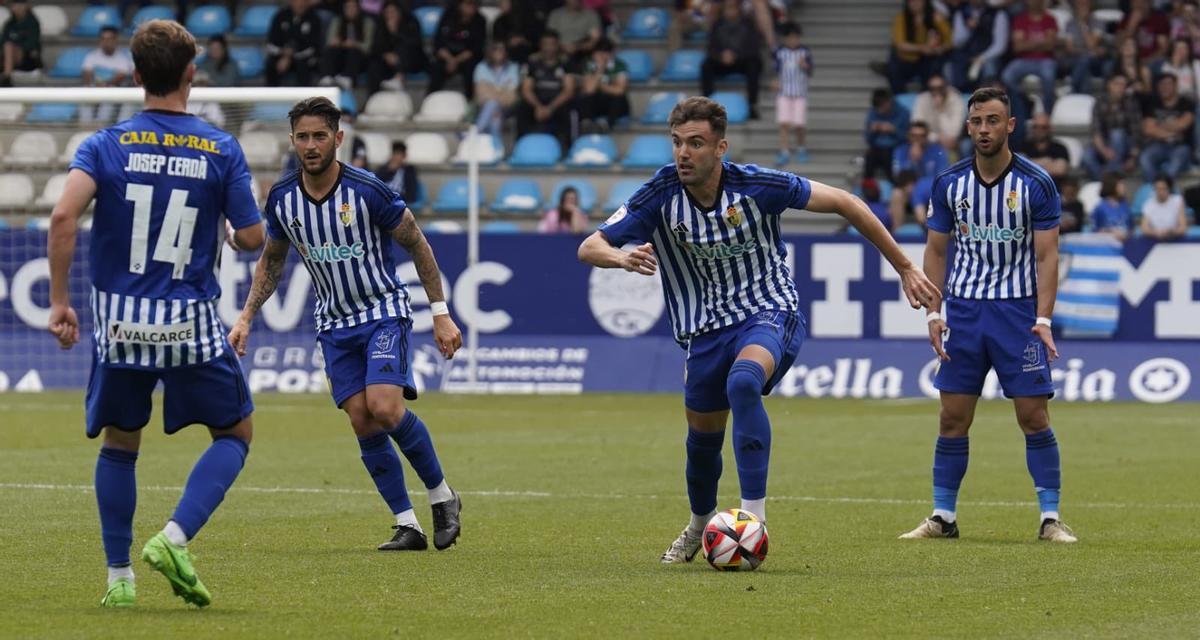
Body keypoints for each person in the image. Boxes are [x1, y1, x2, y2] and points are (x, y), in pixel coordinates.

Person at [577, 96, 939, 563]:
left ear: (720, 147)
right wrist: (621, 257)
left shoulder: (757, 186)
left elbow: (847, 203)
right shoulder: (659, 193)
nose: (683, 153)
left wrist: (906, 267)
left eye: (696, 143)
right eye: (677, 143)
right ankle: (699, 525)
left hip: (768, 311)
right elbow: (590, 245)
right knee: (702, 440)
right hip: (704, 331)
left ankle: (754, 523)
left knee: (744, 382)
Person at [47, 19, 266, 609]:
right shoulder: (220, 147)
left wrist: (61, 301)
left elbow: (64, 218)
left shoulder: (104, 144)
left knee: (120, 442)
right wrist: (229, 220)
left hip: (120, 323)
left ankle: (119, 580)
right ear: (192, 74)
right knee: (236, 432)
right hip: (188, 323)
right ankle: (174, 537)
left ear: (137, 75)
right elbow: (252, 238)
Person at [229, 97, 464, 552]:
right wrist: (245, 317)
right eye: (303, 136)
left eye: (320, 136)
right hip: (333, 322)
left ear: (338, 138)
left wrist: (440, 312)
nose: (311, 145)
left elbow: (418, 244)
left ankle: (442, 495)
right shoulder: (283, 199)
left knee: (385, 408)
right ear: (292, 140)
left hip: (381, 312)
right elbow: (271, 262)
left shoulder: (368, 190)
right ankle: (407, 524)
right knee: (361, 419)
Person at [901, 86, 1077, 544]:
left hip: (1018, 315)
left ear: (1010, 125)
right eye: (977, 121)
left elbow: (1046, 257)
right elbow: (936, 251)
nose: (984, 129)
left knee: (1033, 417)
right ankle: (943, 516)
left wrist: (1043, 319)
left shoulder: (1035, 184)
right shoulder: (949, 184)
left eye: (993, 121)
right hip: (964, 312)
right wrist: (933, 312)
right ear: (968, 126)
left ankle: (1050, 518)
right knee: (952, 417)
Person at [702, 0, 764, 119]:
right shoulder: (717, 25)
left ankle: (752, 104)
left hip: (742, 61)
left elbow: (754, 47)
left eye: (733, 8)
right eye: (728, 8)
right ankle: (706, 105)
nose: (730, 11)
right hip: (721, 61)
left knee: (754, 64)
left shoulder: (748, 24)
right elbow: (711, 47)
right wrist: (721, 56)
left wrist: (736, 55)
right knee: (706, 65)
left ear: (738, 9)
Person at [517, 30, 576, 152]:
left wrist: (550, 108)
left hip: (557, 101)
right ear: (540, 45)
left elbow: (568, 90)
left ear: (557, 45)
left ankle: (567, 149)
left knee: (569, 110)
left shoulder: (566, 63)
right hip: (537, 101)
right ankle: (521, 147)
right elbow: (526, 89)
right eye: (545, 44)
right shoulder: (532, 62)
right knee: (522, 108)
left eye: (552, 44)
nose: (549, 48)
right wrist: (538, 107)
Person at [1001, 0, 1060, 115]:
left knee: (1049, 77)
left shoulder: (1050, 19)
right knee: (1006, 76)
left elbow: (1050, 45)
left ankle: (1048, 112)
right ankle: (1026, 101)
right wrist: (1041, 42)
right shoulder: (1020, 20)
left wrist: (1027, 43)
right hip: (1023, 60)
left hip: (1045, 60)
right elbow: (1018, 47)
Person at [1083, 73, 1141, 180]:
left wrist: (1133, 158)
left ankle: (1112, 179)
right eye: (1117, 84)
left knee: (1117, 134)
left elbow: (1136, 133)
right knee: (1087, 156)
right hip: (1103, 144)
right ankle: (1105, 182)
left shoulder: (1131, 103)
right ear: (1110, 85)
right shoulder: (1100, 102)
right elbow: (1096, 131)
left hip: (1125, 145)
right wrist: (1104, 150)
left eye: (1124, 85)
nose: (1120, 88)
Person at [886, 0, 951, 94]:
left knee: (935, 66)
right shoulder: (901, 18)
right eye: (911, 1)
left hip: (927, 59)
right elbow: (900, 44)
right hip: (906, 59)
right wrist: (922, 48)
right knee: (894, 66)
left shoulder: (935, 17)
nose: (915, 3)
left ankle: (929, 95)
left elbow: (949, 41)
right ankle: (898, 97)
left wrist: (940, 49)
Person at [1139, 72, 1195, 181]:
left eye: (1168, 84)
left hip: (1181, 147)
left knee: (1174, 164)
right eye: (1161, 85)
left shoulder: (1186, 103)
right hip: (1159, 145)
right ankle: (1155, 190)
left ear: (1175, 86)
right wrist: (1172, 130)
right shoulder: (1153, 104)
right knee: (1144, 158)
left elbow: (1183, 124)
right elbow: (1148, 129)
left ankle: (1164, 190)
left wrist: (1159, 125)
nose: (1164, 88)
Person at [428, 0, 487, 99]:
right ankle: (429, 99)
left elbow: (476, 48)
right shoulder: (447, 16)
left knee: (472, 71)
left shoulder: (480, 21)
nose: (471, 7)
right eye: (468, 4)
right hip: (446, 56)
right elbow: (438, 43)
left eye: (474, 4)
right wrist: (450, 59)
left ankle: (470, 102)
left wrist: (455, 61)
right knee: (436, 69)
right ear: (460, 4)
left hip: (466, 58)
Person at [773, 22, 813, 166]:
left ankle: (801, 148)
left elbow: (810, 71)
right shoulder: (780, 52)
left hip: (799, 93)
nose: (793, 41)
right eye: (790, 38)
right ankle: (784, 151)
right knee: (784, 123)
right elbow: (776, 69)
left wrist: (805, 66)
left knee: (799, 124)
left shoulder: (805, 52)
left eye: (795, 38)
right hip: (784, 93)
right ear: (785, 39)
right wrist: (775, 80)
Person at [368, 0, 428, 93]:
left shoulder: (411, 21)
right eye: (387, 12)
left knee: (406, 49)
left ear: (400, 12)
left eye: (393, 12)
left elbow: (416, 44)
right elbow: (375, 46)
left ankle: (399, 78)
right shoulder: (381, 24)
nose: (390, 15)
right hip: (388, 62)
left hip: (411, 61)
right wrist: (386, 55)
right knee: (374, 65)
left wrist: (395, 33)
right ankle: (372, 97)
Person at [948, 0, 1008, 90]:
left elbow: (1000, 46)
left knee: (990, 66)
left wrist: (982, 57)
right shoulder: (961, 13)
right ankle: (962, 96)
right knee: (951, 66)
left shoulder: (998, 14)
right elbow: (957, 43)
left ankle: (986, 97)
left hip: (988, 56)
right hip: (966, 55)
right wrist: (968, 28)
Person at [265, 0, 323, 87]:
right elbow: (271, 42)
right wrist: (283, 52)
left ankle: (304, 97)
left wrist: (291, 55)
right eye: (297, 1)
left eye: (303, 1)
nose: (300, 4)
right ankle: (270, 95)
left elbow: (313, 46)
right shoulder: (280, 16)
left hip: (303, 56)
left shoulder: (314, 18)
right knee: (271, 64)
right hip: (281, 55)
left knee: (304, 66)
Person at [577, 38, 630, 132]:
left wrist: (599, 85)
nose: (603, 56)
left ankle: (605, 124)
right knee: (584, 97)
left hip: (613, 103)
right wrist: (600, 69)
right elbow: (589, 89)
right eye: (600, 52)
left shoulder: (619, 65)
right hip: (596, 101)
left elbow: (620, 90)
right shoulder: (589, 65)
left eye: (606, 52)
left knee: (619, 98)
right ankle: (586, 123)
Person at [320, 0, 376, 89]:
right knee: (331, 50)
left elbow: (368, 47)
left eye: (353, 7)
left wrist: (355, 44)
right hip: (340, 55)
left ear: (358, 9)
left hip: (360, 59)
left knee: (354, 52)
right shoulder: (337, 21)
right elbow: (329, 41)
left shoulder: (367, 22)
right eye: (347, 7)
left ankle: (348, 78)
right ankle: (327, 77)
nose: (350, 10)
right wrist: (336, 42)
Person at [474, 42, 521, 137]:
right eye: (495, 49)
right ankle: (497, 149)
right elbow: (481, 93)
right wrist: (501, 90)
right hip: (484, 105)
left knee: (493, 106)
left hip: (507, 107)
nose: (499, 52)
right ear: (489, 52)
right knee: (495, 118)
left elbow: (511, 95)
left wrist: (490, 88)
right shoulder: (481, 67)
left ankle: (475, 132)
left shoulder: (513, 67)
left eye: (502, 49)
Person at [864, 87, 911, 180]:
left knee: (888, 159)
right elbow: (868, 138)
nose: (879, 111)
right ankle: (868, 187)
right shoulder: (873, 113)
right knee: (869, 159)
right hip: (877, 147)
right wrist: (872, 131)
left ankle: (895, 184)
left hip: (895, 147)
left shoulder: (903, 113)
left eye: (881, 107)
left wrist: (893, 130)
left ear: (888, 102)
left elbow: (907, 137)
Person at [912, 74, 965, 155]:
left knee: (960, 146)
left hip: (951, 142)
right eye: (932, 88)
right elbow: (917, 127)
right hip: (926, 140)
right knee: (916, 144)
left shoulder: (956, 100)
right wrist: (937, 138)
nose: (936, 91)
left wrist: (941, 110)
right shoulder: (922, 100)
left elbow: (953, 133)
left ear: (946, 87)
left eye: (940, 88)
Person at [546, 0, 602, 70]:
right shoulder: (556, 15)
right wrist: (562, 46)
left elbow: (594, 39)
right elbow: (549, 38)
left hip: (582, 53)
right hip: (558, 52)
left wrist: (578, 47)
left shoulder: (591, 15)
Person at [0, 0, 41, 86]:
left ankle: (7, 77)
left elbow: (32, 44)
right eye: (14, 5)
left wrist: (16, 46)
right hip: (8, 57)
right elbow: (2, 41)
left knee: (8, 46)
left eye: (20, 5)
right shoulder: (9, 24)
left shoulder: (32, 22)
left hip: (28, 58)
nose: (17, 8)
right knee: (7, 47)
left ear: (26, 6)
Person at [1024, 113, 1071, 185]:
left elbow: (1060, 170)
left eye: (1043, 127)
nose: (1039, 130)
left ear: (1050, 129)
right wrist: (1046, 162)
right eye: (1035, 127)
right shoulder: (1023, 147)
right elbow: (1020, 168)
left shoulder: (1060, 148)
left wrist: (1031, 163)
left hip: (1054, 190)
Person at [1140, 174, 1189, 239]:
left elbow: (1183, 227)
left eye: (1163, 189)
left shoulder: (1178, 201)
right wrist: (1155, 232)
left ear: (1169, 188)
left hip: (1175, 240)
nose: (1160, 192)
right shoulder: (1149, 204)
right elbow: (1144, 228)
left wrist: (1171, 232)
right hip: (1154, 240)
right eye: (1157, 189)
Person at [1090, 171, 1131, 240]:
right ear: (1112, 185)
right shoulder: (1100, 208)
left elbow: (1131, 228)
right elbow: (1094, 230)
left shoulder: (1125, 206)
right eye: (1120, 184)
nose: (1124, 187)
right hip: (1106, 245)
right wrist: (1109, 232)